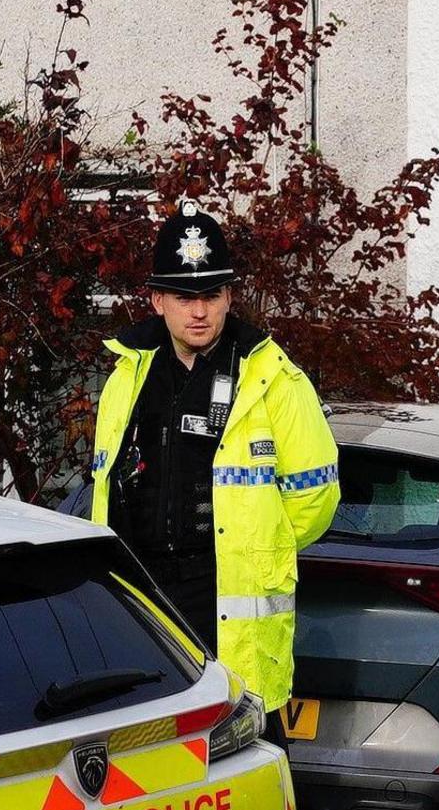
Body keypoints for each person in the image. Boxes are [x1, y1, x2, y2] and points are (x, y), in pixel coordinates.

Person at [88, 212, 342, 712]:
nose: (198, 311)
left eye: (210, 296)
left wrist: (256, 547)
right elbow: (107, 484)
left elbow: (315, 498)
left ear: (229, 296)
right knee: (155, 757)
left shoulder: (272, 377)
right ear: (158, 300)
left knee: (246, 751)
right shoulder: (127, 374)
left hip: (227, 593)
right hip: (145, 598)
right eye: (184, 297)